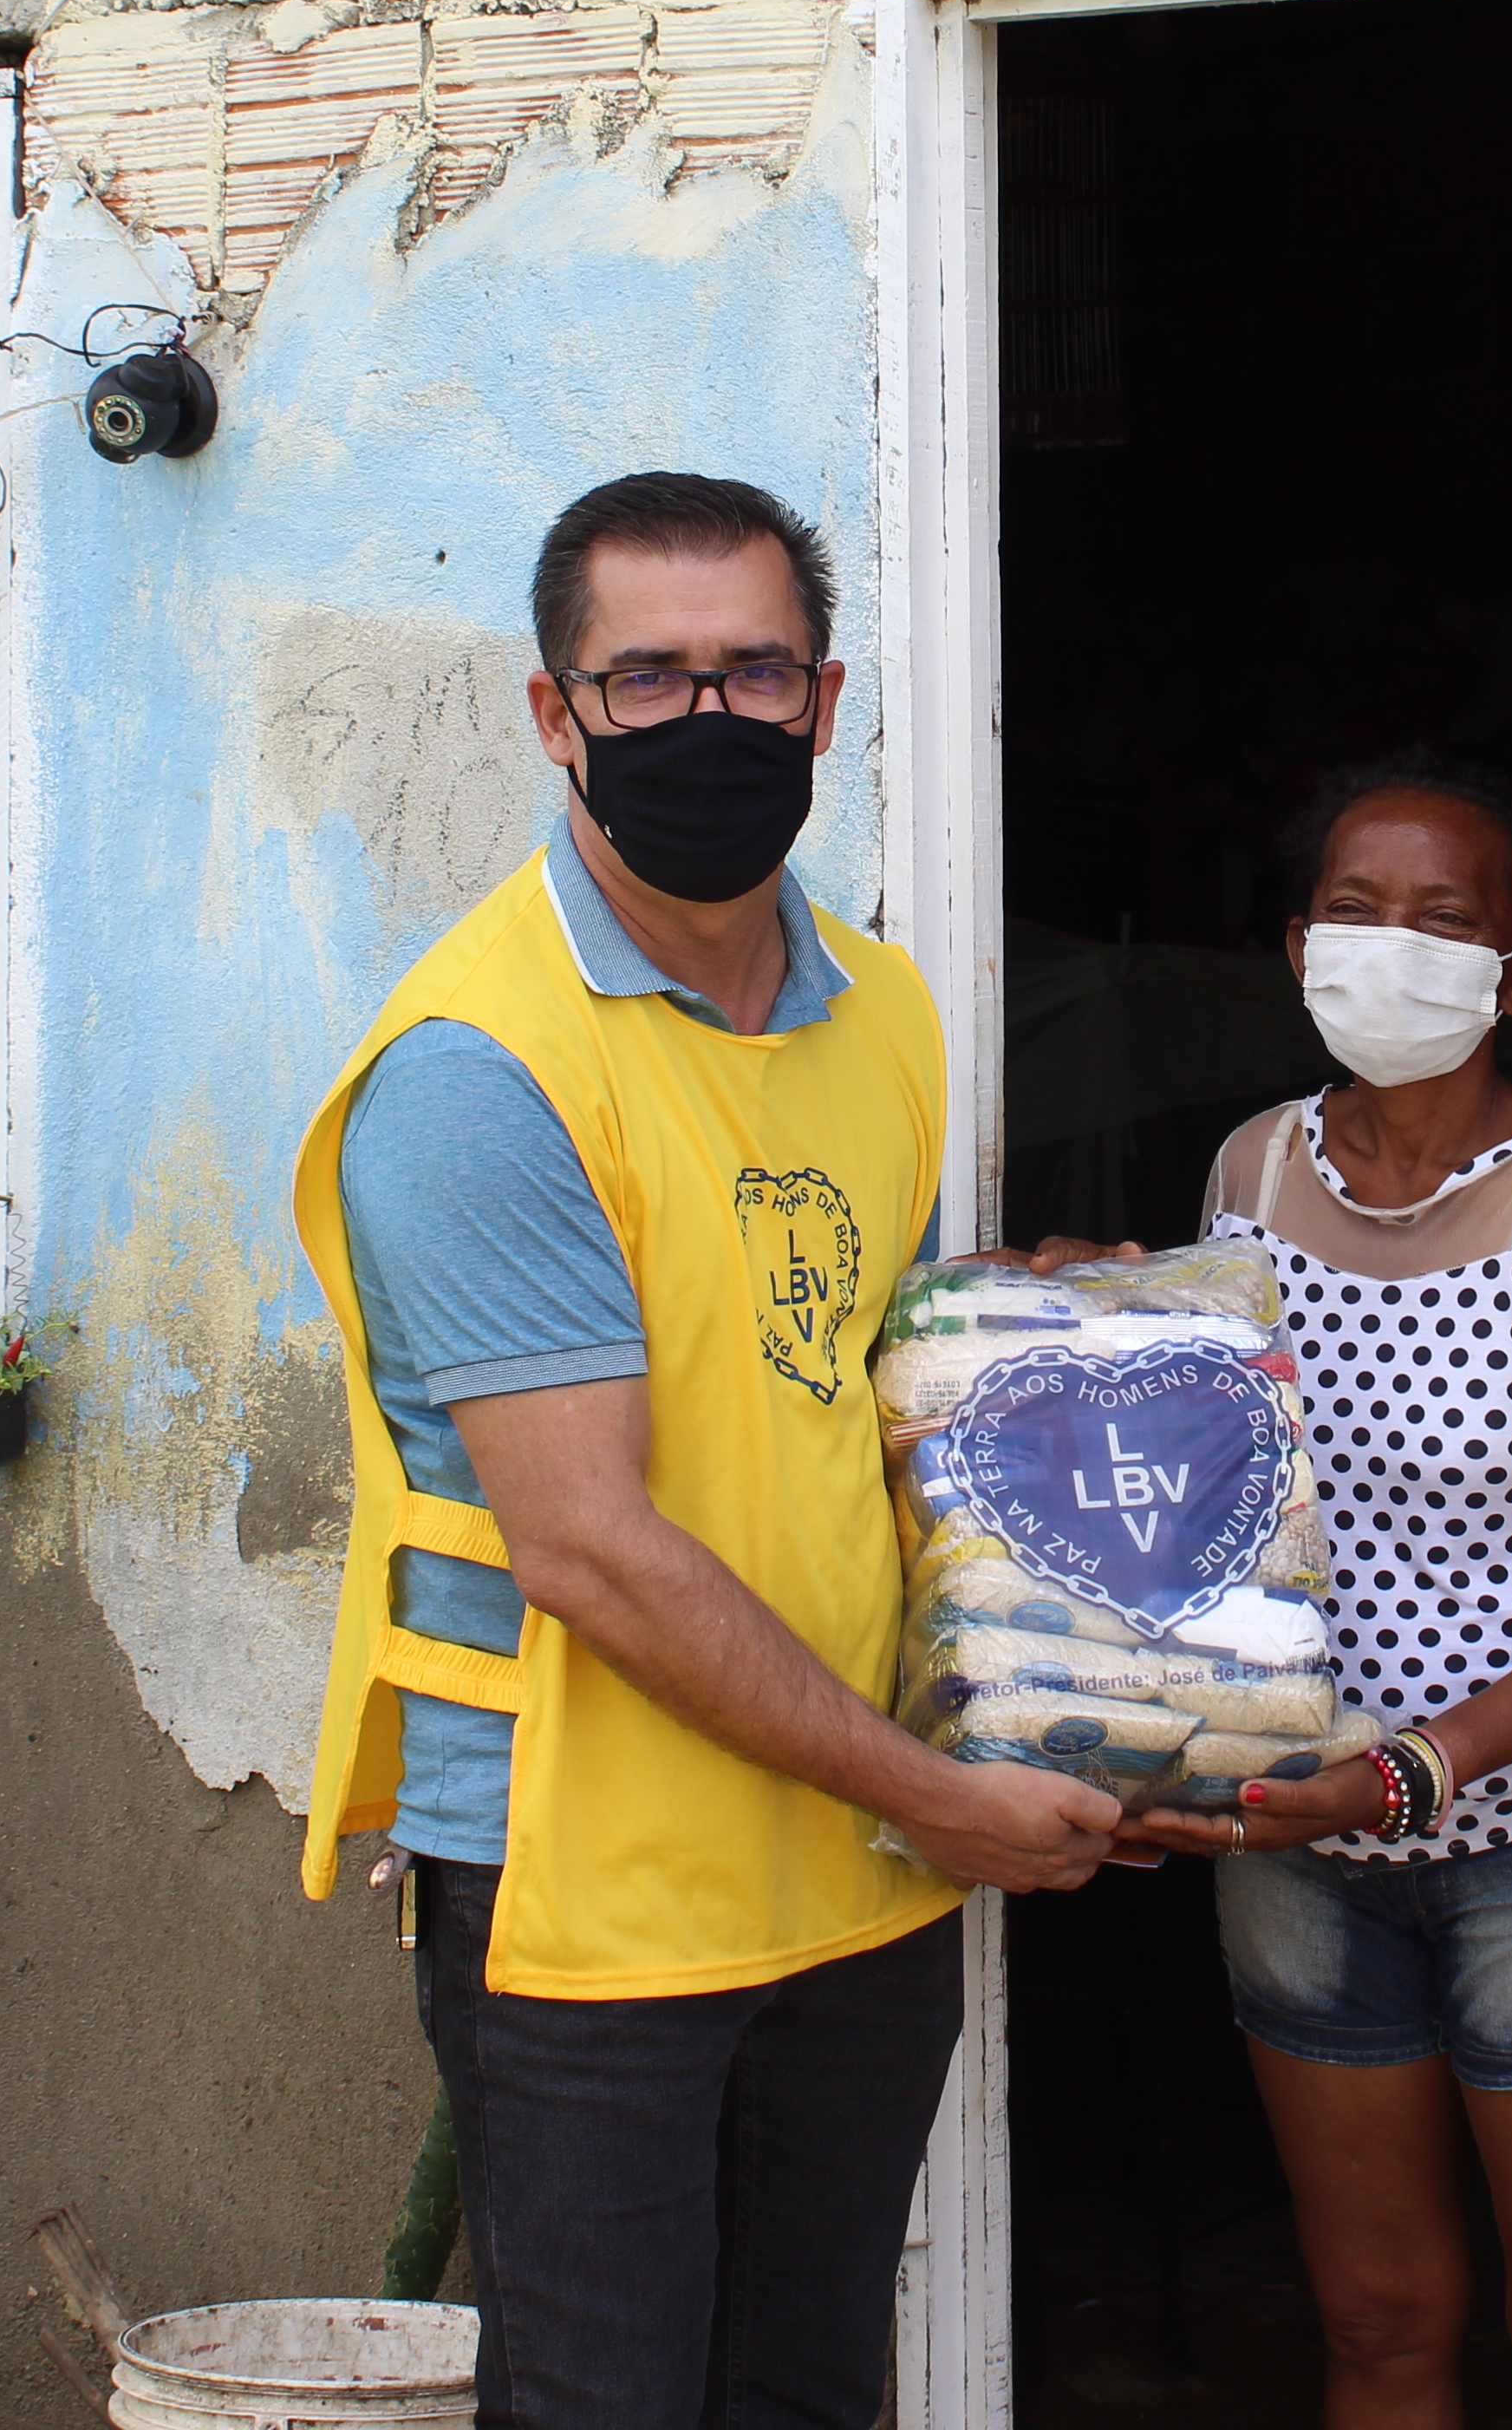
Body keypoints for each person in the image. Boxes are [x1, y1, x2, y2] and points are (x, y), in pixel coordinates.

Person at [287, 471, 1120, 2430]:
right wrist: (940, 1784)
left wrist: (1034, 1331)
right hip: (594, 1874)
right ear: (552, 713)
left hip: (847, 1848)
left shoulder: (885, 1012)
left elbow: (836, 1364)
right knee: (607, 2404)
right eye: (644, 679)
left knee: (811, 2388)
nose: (705, 722)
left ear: (829, 704)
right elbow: (588, 1547)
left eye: (753, 673)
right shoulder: (484, 1069)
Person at [1125, 757, 1512, 2430]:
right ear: (1300, 941)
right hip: (1303, 1851)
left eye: (1444, 921)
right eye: (1353, 909)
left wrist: (1414, 1770)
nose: (1388, 948)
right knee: (1379, 2325)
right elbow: (1216, 1478)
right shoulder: (1252, 1172)